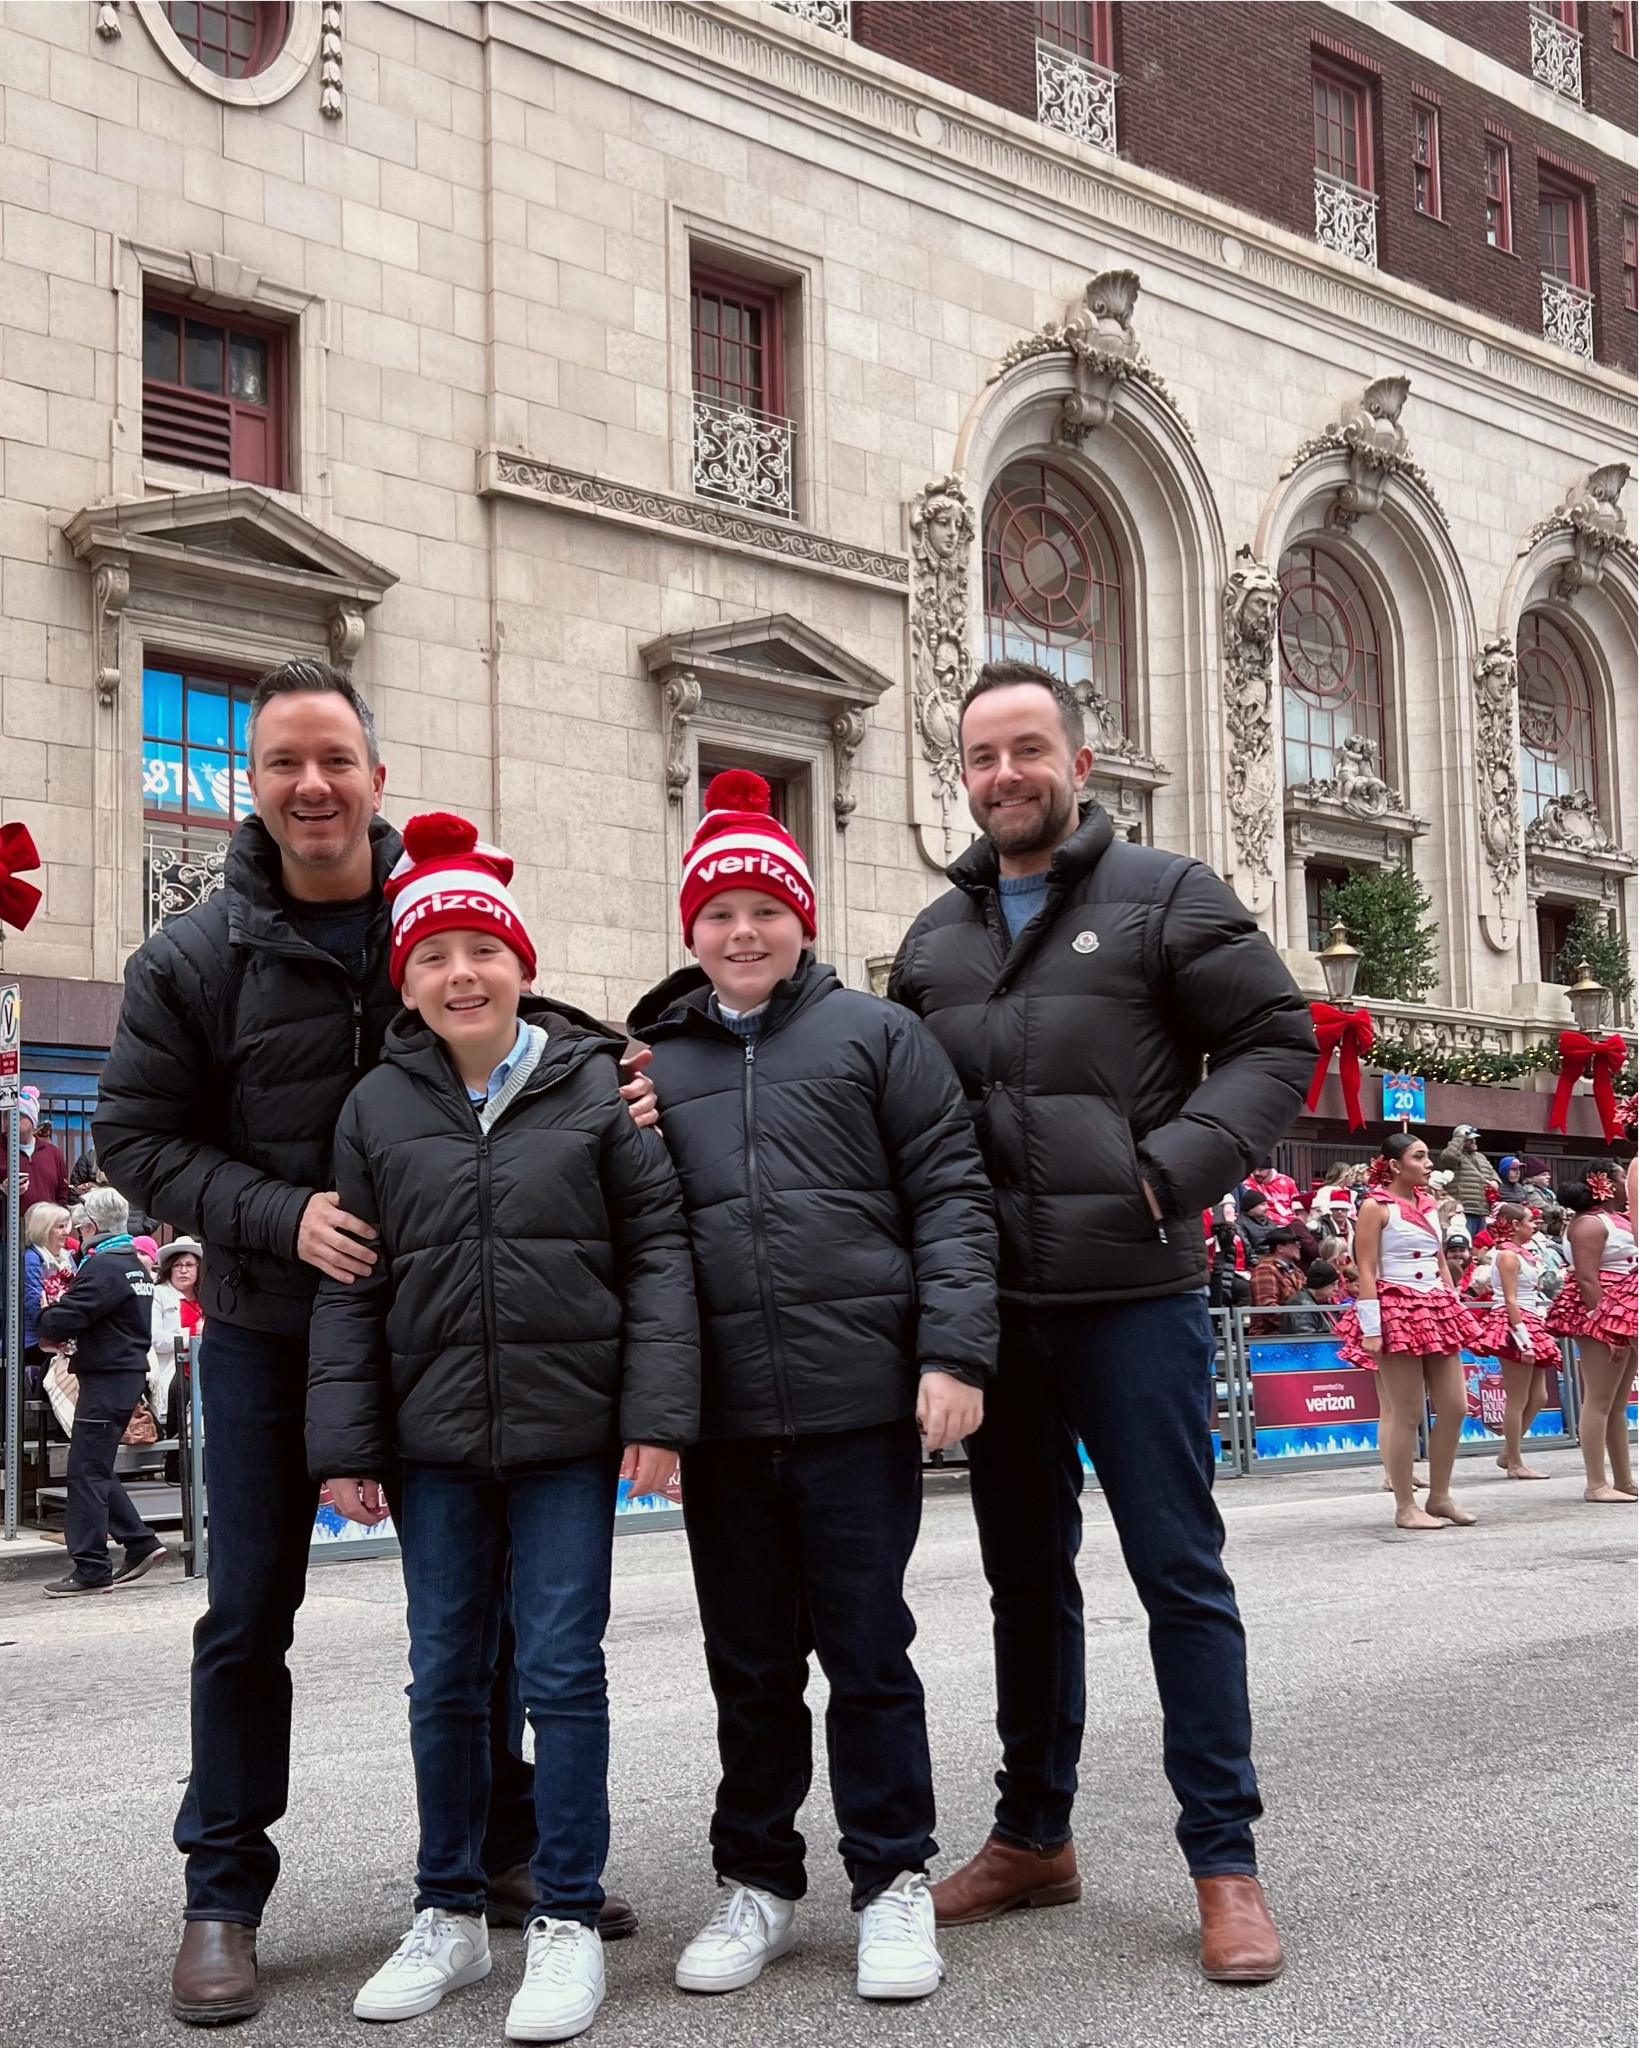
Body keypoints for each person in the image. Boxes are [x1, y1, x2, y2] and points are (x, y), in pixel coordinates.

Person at [94, 659, 653, 2026]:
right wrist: (282, 1218)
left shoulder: (432, 913)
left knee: (494, 1615)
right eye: (283, 762)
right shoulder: (189, 958)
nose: (311, 785)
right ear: (255, 785)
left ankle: (504, 1851)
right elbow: (134, 1138)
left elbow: (507, 1018)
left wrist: (626, 1061)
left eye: (333, 758)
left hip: (458, 1327)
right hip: (277, 1331)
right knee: (246, 1618)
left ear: (374, 775)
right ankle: (221, 1891)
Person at [888, 659, 1315, 1985]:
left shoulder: (1166, 894)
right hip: (995, 1316)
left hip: (1133, 1297)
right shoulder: (928, 940)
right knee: (1023, 1582)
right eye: (981, 756)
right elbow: (881, 1111)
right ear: (958, 774)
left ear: (1078, 758)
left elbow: (1273, 1040)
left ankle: (1223, 1862)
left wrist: (1165, 1171)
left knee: (1176, 1575)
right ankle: (1033, 1836)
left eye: (1027, 748)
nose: (1004, 774)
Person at [308, 812, 699, 2043]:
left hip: (568, 1441)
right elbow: (352, 1283)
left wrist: (657, 1414)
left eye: (480, 946)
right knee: (445, 1679)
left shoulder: (595, 1090)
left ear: (519, 961)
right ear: (408, 981)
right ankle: (450, 1908)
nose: (459, 971)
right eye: (432, 954)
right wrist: (348, 1442)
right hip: (431, 1448)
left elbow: (658, 1254)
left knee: (561, 1670)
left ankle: (567, 1916)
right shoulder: (376, 1106)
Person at [629, 771, 998, 2007]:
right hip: (724, 1419)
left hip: (855, 1403)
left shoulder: (879, 1036)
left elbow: (950, 1194)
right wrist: (654, 1411)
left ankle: (891, 1875)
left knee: (868, 1649)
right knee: (747, 1660)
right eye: (719, 912)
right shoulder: (653, 1063)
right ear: (692, 929)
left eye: (764, 909)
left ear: (803, 919)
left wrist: (952, 1351)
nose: (742, 932)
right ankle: (758, 1880)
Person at [1335, 1136, 1484, 1531]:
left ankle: (1439, 1496)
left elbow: (1438, 1257)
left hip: (1435, 1304)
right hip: (1394, 1306)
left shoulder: (1430, 1204)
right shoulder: (1374, 1205)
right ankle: (1405, 1505)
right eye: (1419, 1157)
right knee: (1406, 1412)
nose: (1429, 1163)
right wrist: (1371, 1326)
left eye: (1428, 1156)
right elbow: (1365, 1267)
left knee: (1455, 1407)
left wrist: (1453, 1300)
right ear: (1396, 1165)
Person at [33, 1185, 170, 1596]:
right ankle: (140, 1542)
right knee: (94, 1465)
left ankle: (91, 1567)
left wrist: (48, 1321)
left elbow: (71, 1314)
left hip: (108, 1377)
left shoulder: (106, 1266)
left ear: (91, 1225)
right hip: (123, 1375)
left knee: (85, 1470)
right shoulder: (132, 1265)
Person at [1545, 1177, 1637, 1504]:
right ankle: (1596, 1482)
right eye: (1618, 1175)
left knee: (1617, 1401)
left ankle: (1624, 1479)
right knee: (1598, 1398)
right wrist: (1605, 1325)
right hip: (1602, 1310)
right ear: (1605, 1185)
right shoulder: (1589, 1224)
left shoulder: (1621, 1218)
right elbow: (1586, 1277)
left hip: (1624, 1309)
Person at [1470, 1203, 1560, 1481]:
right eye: (1530, 1221)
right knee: (1518, 1398)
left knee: (1540, 1396)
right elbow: (1509, 1300)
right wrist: (1523, 1340)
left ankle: (1509, 1452)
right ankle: (1515, 1462)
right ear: (1514, 1224)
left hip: (1529, 1318)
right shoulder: (1507, 1255)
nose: (1535, 1225)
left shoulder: (1522, 1254)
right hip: (1514, 1324)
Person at [150, 1237, 205, 1435]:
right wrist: (190, 1335)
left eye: (190, 1265)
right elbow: (154, 1338)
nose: (184, 1270)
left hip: (204, 1377)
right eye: (177, 1265)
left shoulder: (205, 1298)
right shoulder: (159, 1294)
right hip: (175, 1379)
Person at [22, 1201, 74, 1374]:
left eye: (66, 1226)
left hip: (64, 1333)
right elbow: (35, 1305)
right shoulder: (31, 1258)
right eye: (60, 1227)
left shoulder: (67, 1257)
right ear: (43, 1229)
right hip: (34, 1340)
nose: (66, 1232)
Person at [3, 1087, 72, 1213]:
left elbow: (62, 1194)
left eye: (18, 1115)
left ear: (32, 1120)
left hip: (46, 1228)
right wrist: (2, 1191)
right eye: (6, 1115)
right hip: (6, 1229)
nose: (10, 1120)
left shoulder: (52, 1153)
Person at [1438, 1124, 1496, 1239]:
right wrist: (1460, 1137)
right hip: (1464, 1210)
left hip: (1482, 1211)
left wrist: (1495, 1181)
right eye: (1469, 1139)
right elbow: (1449, 1156)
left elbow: (1491, 1171)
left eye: (1474, 1139)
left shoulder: (1481, 1157)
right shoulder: (1453, 1156)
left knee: (1480, 1247)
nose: (1473, 1141)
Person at [1247, 1228, 1304, 1335]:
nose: (1299, 1247)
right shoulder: (1264, 1269)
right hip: (1268, 1336)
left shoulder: (1297, 1272)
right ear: (1280, 1248)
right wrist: (1300, 1323)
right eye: (1294, 1243)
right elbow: (1267, 1308)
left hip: (1292, 1333)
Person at [1284, 1260, 1341, 1335]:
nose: (1336, 1289)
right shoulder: (1302, 1306)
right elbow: (1306, 1341)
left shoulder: (1323, 1302)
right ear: (1320, 1284)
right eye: (1333, 1285)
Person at [1239, 1158, 1299, 1226]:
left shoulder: (1287, 1181)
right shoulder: (1248, 1184)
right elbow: (1255, 1209)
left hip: (1291, 1222)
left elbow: (1297, 1205)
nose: (1256, 1173)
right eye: (1254, 1170)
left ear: (1270, 1169)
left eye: (1260, 1170)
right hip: (1265, 1224)